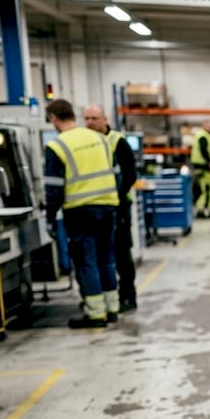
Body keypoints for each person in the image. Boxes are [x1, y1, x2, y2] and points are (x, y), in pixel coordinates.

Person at [44, 99, 121, 329]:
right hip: (108, 207)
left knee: (87, 262)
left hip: (80, 211)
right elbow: (116, 174)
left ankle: (96, 314)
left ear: (54, 119)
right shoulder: (99, 139)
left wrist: (50, 217)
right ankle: (112, 309)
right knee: (106, 258)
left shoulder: (57, 146)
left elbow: (54, 188)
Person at [83, 104, 139, 312]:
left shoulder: (118, 142)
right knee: (97, 256)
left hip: (118, 207)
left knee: (122, 254)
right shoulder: (84, 145)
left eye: (94, 118)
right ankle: (103, 298)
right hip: (93, 208)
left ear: (105, 119)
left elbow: (130, 176)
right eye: (87, 118)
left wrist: (113, 197)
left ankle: (127, 296)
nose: (90, 123)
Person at [191, 118, 210, 218]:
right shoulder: (203, 136)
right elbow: (204, 150)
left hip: (206, 167)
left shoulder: (207, 136)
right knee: (206, 189)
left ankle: (209, 209)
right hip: (204, 167)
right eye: (209, 125)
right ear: (204, 125)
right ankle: (201, 210)